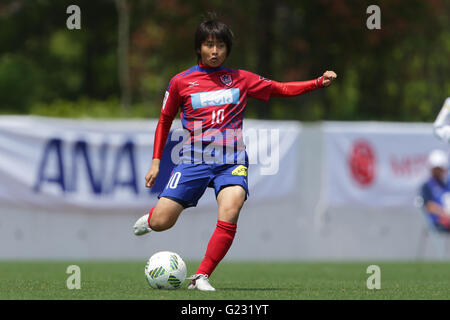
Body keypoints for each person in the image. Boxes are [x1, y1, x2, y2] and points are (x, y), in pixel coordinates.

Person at [133, 14, 337, 291]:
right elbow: (164, 120)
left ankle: (201, 276)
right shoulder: (181, 82)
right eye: (208, 45)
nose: (214, 51)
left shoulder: (240, 79)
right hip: (194, 159)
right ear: (199, 48)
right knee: (162, 221)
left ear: (228, 49)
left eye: (220, 46)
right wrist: (156, 161)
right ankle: (152, 219)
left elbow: (280, 88)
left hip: (231, 160)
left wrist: (316, 83)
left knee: (232, 207)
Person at [420, 149, 450, 233]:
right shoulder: (427, 186)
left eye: (440, 169)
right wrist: (444, 214)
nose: (438, 172)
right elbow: (429, 205)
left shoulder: (447, 183)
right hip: (438, 222)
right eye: (436, 169)